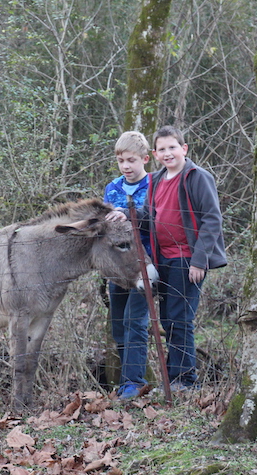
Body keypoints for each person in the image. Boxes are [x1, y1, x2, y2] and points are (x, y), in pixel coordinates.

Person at [145, 125, 227, 390]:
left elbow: (212, 219)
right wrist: (124, 213)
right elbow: (148, 215)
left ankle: (187, 380)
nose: (168, 153)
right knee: (168, 320)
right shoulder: (156, 180)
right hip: (163, 260)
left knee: (181, 320)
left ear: (184, 149)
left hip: (187, 259)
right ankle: (173, 379)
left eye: (172, 147)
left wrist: (199, 260)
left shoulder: (197, 177)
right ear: (155, 154)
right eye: (162, 149)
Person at [103, 130, 156, 401]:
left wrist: (128, 215)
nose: (126, 166)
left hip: (144, 267)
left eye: (131, 160)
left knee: (135, 322)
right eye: (121, 160)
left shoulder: (155, 186)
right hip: (117, 269)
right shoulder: (112, 188)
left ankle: (135, 382)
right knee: (118, 325)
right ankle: (126, 380)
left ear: (145, 159)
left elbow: (156, 220)